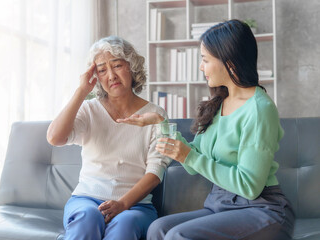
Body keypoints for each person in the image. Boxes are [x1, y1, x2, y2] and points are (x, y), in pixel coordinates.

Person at [124, 19, 295, 239]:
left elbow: (249, 185)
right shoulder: (221, 102)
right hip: (221, 203)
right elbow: (194, 160)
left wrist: (190, 157)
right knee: (158, 229)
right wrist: (160, 123)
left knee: (178, 235)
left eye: (205, 59)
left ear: (229, 62)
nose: (200, 66)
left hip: (261, 208)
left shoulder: (260, 110)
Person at [46, 36, 170, 239]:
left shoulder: (156, 115)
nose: (111, 75)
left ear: (132, 67)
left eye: (117, 65)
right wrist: (82, 91)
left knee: (125, 224)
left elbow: (156, 172)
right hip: (86, 199)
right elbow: (54, 138)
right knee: (87, 217)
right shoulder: (88, 110)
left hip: (135, 205)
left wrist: (123, 204)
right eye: (102, 70)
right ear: (95, 76)